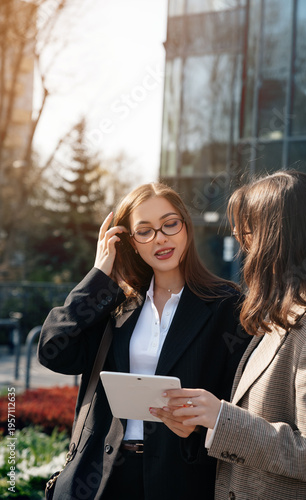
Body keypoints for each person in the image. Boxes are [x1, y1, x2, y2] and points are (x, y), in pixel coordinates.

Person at [38, 182, 250, 500]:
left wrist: (197, 429)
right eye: (145, 231)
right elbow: (54, 350)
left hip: (180, 475)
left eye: (170, 224)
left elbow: (240, 402)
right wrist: (98, 274)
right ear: (133, 243)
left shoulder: (226, 305)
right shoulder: (115, 304)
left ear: (186, 229)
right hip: (102, 476)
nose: (160, 238)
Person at [152, 170, 306, 500]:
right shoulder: (280, 319)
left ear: (277, 241)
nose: (243, 247)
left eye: (248, 235)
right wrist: (205, 423)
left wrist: (223, 418)